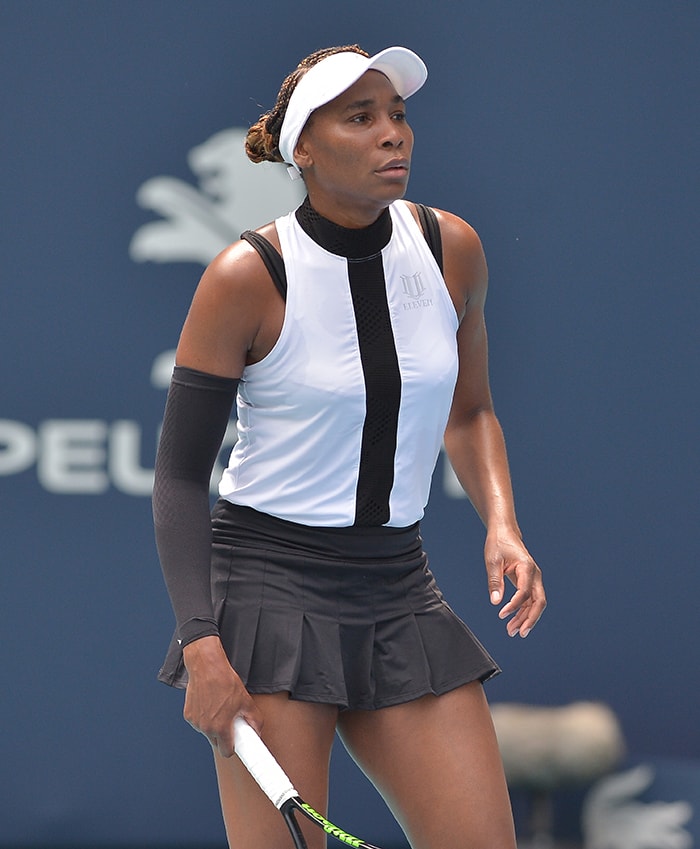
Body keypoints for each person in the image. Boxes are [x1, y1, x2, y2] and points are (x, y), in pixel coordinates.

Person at [153, 44, 546, 849]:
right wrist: (203, 644)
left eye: (398, 116)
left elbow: (470, 415)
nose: (392, 135)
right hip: (266, 594)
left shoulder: (452, 249)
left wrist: (501, 524)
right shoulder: (245, 275)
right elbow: (179, 478)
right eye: (360, 118)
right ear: (304, 148)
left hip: (399, 586)